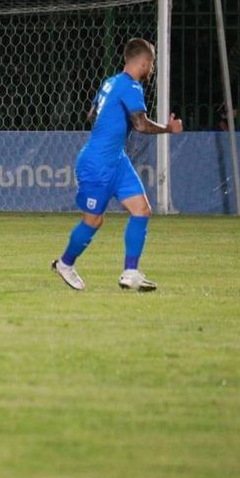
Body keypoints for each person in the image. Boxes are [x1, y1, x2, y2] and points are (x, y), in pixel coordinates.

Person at [52, 38, 183, 292]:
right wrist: (169, 128)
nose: (151, 69)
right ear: (144, 62)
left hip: (117, 160)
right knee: (93, 221)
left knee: (142, 210)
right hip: (98, 163)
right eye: (151, 64)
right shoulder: (131, 87)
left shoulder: (110, 83)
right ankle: (65, 264)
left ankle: (130, 272)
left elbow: (92, 114)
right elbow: (141, 125)